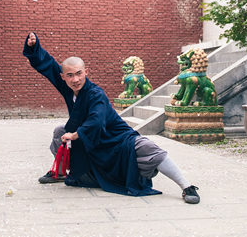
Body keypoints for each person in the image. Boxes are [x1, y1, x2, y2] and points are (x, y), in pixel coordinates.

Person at [23, 32, 200, 204]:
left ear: (86, 72)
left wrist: (75, 135)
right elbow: (50, 66)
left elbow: (97, 120)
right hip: (91, 140)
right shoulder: (67, 86)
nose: (75, 79)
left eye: (79, 73)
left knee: (148, 147)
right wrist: (35, 47)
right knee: (60, 131)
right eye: (69, 75)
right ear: (63, 77)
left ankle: (186, 186)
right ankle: (60, 172)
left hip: (115, 138)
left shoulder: (96, 94)